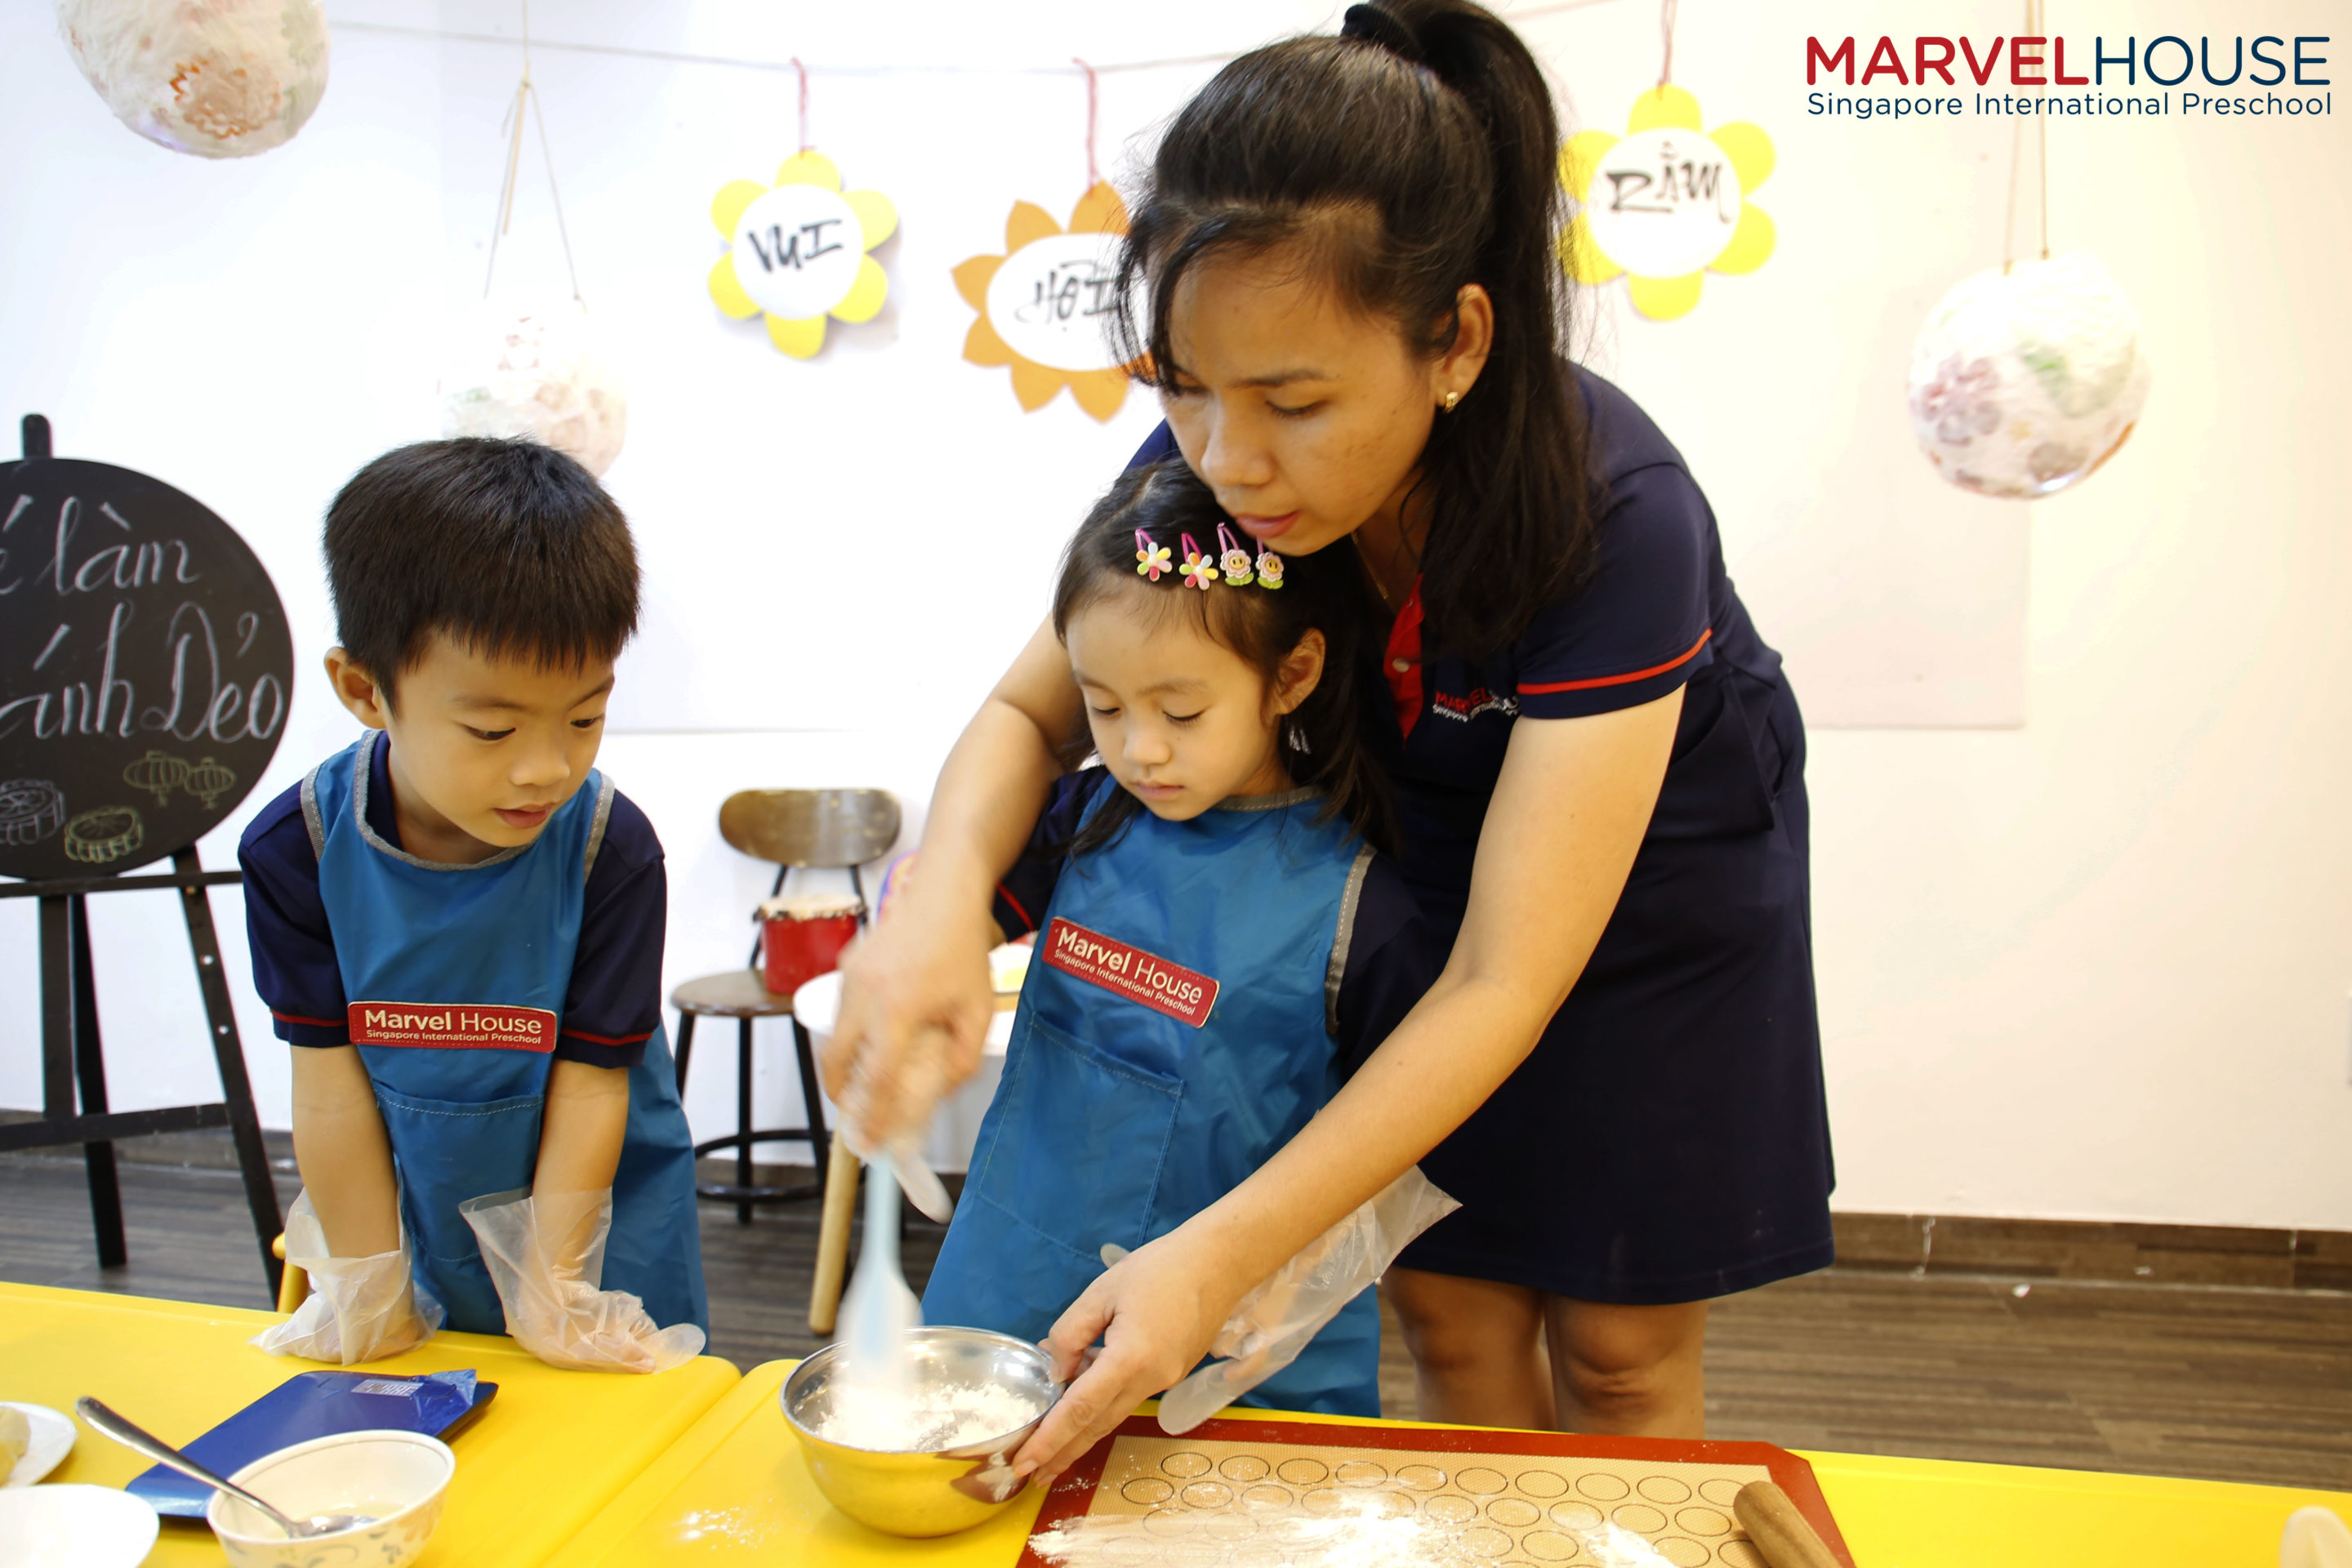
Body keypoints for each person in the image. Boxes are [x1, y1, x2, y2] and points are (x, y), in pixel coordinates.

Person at [825, 0, 1830, 1484]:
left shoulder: (1619, 518)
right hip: (1425, 886)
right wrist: (930, 909)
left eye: (1293, 402)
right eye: (1182, 388)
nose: (1228, 462)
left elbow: (1510, 976)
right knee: (1456, 1319)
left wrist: (1217, 1255)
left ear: (1458, 342)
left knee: (1618, 1356)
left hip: (1643, 907)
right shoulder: (1217, 466)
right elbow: (1029, 710)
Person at [919, 458, 1443, 1417]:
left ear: (1293, 675)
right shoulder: (1080, 817)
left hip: (1240, 1350)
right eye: (1103, 707)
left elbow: (1402, 1144)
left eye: (1181, 710)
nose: (1139, 749)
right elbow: (945, 940)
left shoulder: (1362, 908)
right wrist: (914, 1001)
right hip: (1011, 1294)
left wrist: (1279, 1285)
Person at [239, 438, 707, 1373]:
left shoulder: (607, 851)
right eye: (492, 729)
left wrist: (554, 1289)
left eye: (584, 716)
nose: (547, 768)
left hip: (596, 1215)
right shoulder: (300, 850)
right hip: (414, 1197)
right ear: (365, 690)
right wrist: (368, 1285)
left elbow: (591, 1081)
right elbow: (328, 1087)